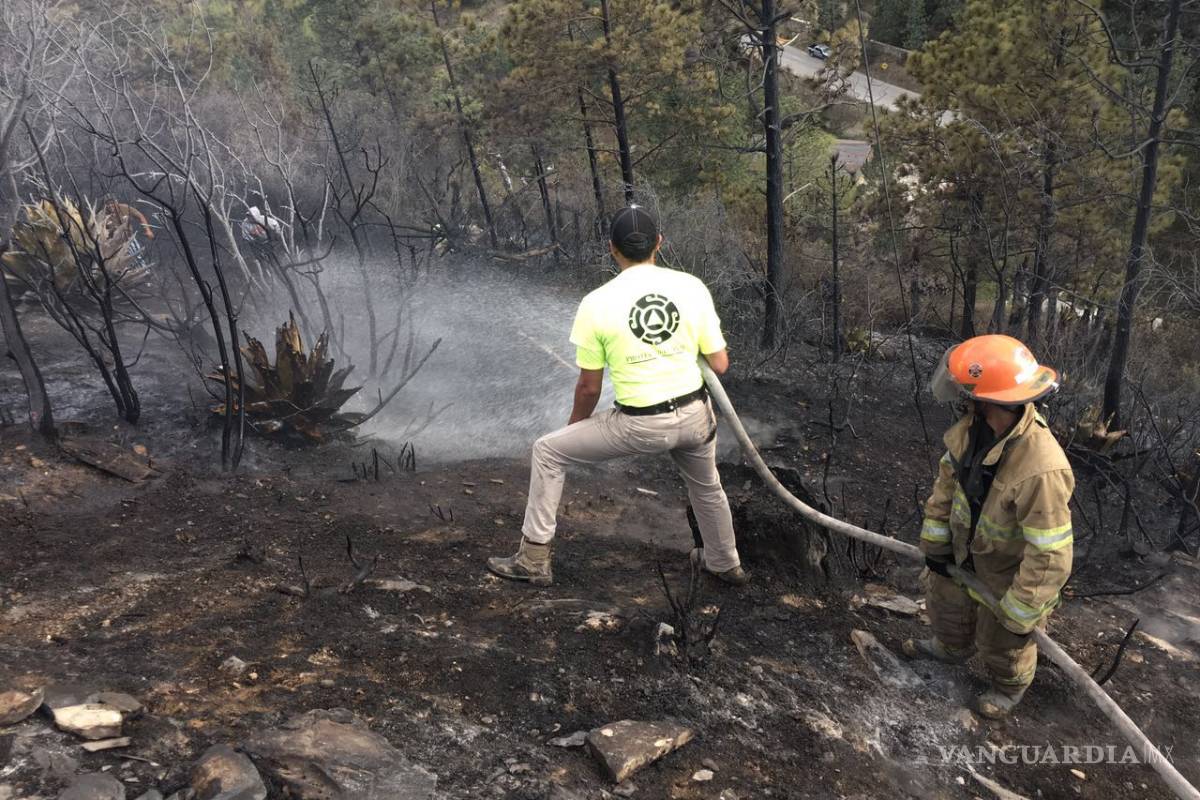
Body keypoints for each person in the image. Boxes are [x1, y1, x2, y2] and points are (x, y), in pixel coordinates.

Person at [487, 205, 746, 587]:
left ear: (612, 248)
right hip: (695, 416)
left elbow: (589, 387)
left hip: (639, 426)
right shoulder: (691, 287)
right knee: (707, 486)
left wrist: (575, 428)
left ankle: (533, 559)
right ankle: (725, 562)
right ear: (659, 243)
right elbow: (719, 364)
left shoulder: (596, 303)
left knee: (548, 450)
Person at [904, 334, 1074, 719]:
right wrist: (936, 545)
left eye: (969, 393)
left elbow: (1050, 554)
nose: (963, 399)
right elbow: (945, 489)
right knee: (946, 602)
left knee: (1002, 641)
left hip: (1007, 573)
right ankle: (951, 647)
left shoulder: (1042, 468)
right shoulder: (971, 433)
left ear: (989, 399)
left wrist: (1021, 611)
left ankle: (1008, 687)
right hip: (964, 553)